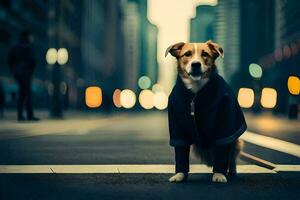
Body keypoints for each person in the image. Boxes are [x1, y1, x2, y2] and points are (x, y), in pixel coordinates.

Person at [8, 30, 39, 121]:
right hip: (26, 74)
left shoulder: (15, 46)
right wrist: (30, 71)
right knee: (27, 94)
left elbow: (10, 60)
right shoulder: (29, 47)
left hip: (18, 73)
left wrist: (14, 71)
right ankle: (29, 115)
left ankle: (20, 115)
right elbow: (33, 61)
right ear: (28, 36)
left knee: (22, 94)